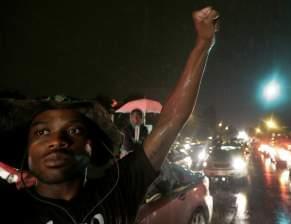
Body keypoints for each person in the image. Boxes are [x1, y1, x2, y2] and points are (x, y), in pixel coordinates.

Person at [0, 6, 219, 224]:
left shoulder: (118, 191)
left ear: (92, 145)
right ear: (27, 148)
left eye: (74, 130)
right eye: (42, 132)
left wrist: (202, 45)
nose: (57, 141)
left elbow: (172, 119)